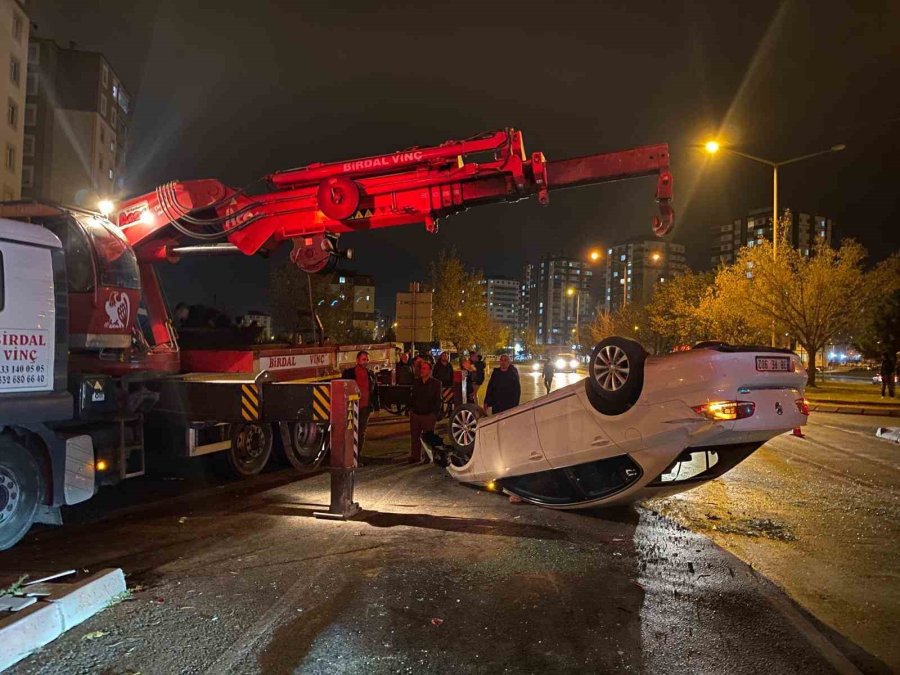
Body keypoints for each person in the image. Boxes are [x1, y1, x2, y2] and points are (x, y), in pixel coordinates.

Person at [341, 350, 379, 460]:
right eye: (363, 359)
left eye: (367, 359)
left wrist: (377, 407)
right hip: (351, 407)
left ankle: (357, 457)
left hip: (365, 408)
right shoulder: (349, 373)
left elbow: (375, 392)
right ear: (357, 360)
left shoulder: (371, 374)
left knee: (361, 433)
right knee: (349, 432)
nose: (366, 362)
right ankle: (347, 456)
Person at [408, 361, 442, 463]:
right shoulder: (416, 382)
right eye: (421, 368)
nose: (422, 370)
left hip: (428, 415)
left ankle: (428, 457)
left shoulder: (436, 383)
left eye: (424, 368)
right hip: (416, 414)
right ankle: (415, 456)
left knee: (427, 437)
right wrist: (411, 410)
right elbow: (412, 397)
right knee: (415, 437)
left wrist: (434, 414)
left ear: (430, 371)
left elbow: (438, 399)